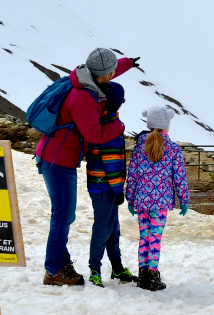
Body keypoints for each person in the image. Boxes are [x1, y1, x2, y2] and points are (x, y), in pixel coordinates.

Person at [36, 47, 138, 286]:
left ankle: (61, 262)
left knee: (63, 214)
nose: (113, 74)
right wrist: (120, 127)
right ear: (103, 74)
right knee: (62, 216)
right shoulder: (83, 97)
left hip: (56, 155)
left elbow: (109, 69)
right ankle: (53, 270)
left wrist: (129, 63)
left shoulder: (86, 75)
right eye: (112, 71)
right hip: (58, 160)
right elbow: (95, 134)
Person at [126, 106, 189, 291]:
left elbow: (133, 175)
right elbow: (180, 177)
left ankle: (143, 274)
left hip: (142, 200)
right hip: (161, 203)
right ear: (166, 125)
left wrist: (130, 199)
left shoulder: (139, 147)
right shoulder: (173, 149)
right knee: (155, 238)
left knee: (143, 237)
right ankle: (153, 275)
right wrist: (184, 200)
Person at [85, 81, 139, 287]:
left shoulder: (99, 120)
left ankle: (116, 268)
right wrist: (118, 190)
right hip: (105, 186)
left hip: (99, 184)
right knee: (102, 228)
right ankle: (95, 270)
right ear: (120, 102)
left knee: (112, 228)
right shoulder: (111, 125)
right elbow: (111, 160)